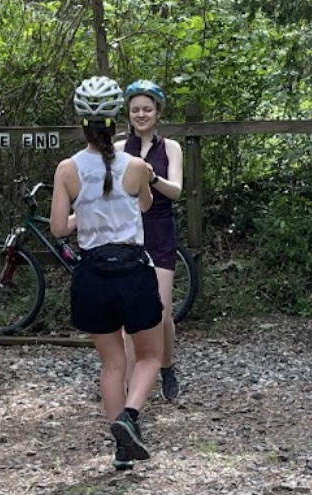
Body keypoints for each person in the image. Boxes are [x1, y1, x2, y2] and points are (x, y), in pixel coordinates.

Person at [51, 76, 165, 470]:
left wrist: (84, 214)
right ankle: (130, 418)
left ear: (82, 123)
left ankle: (121, 449)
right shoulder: (136, 166)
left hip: (93, 274)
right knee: (150, 355)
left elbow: (57, 228)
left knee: (112, 363)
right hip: (132, 270)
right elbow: (146, 207)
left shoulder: (67, 169)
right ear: (118, 120)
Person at [119, 79, 185, 402]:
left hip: (159, 229)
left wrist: (152, 177)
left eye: (147, 109)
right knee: (128, 312)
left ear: (158, 112)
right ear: (128, 113)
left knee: (161, 311)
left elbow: (177, 191)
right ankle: (131, 385)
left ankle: (166, 366)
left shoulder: (171, 148)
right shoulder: (118, 150)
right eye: (135, 110)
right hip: (127, 232)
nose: (141, 114)